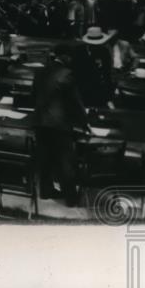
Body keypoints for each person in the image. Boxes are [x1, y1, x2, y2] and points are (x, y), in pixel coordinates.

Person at [32, 43, 88, 206]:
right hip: (59, 124)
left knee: (45, 158)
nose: (71, 60)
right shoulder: (67, 74)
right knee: (65, 162)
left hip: (40, 121)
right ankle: (70, 198)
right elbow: (76, 102)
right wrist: (84, 122)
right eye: (69, 57)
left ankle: (45, 191)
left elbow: (34, 95)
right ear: (64, 56)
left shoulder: (40, 71)